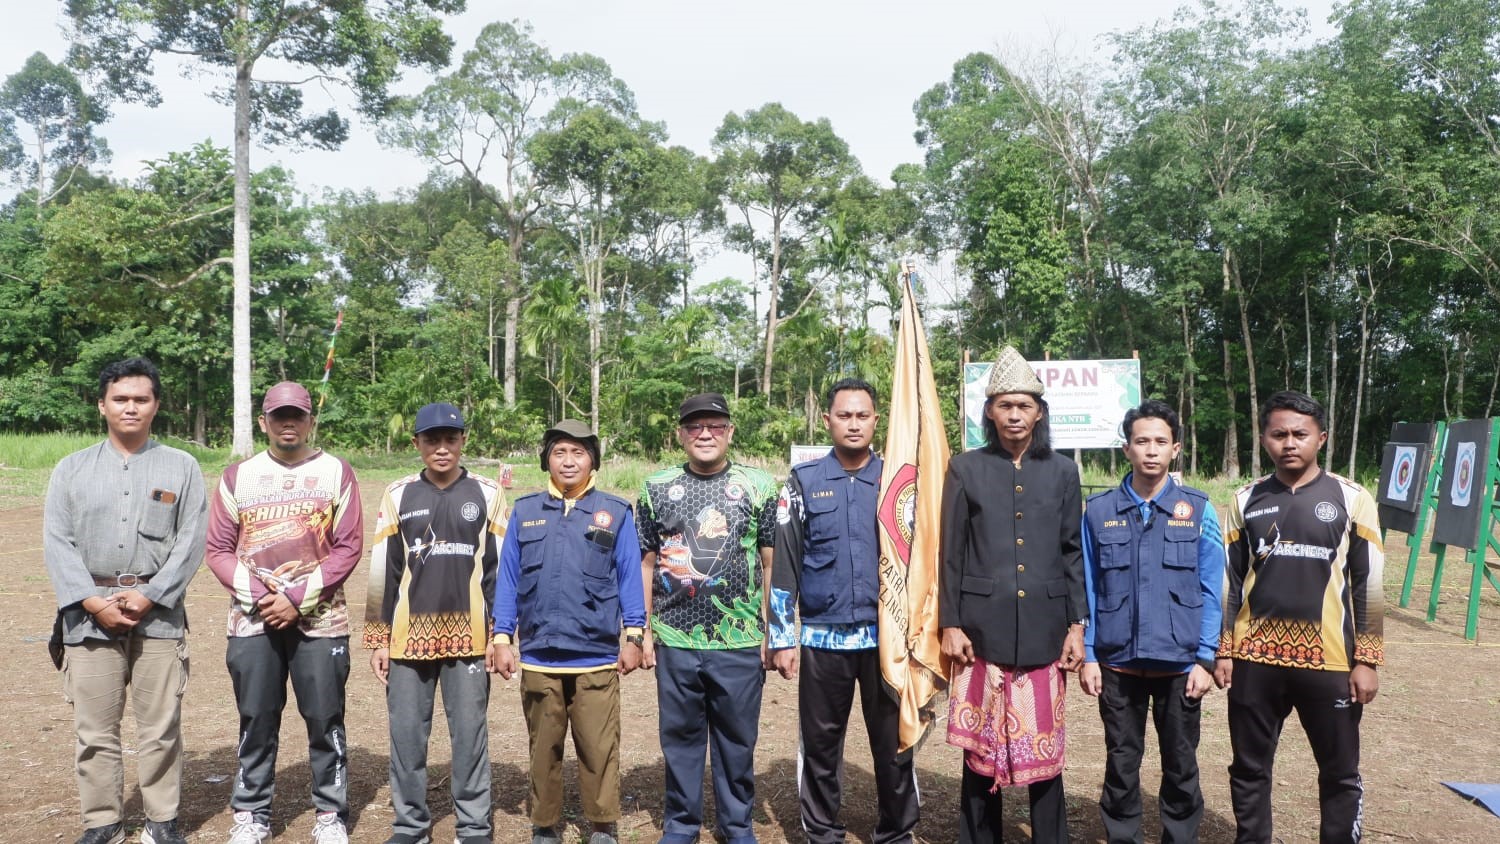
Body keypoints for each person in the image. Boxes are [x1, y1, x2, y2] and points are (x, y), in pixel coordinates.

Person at [43, 357, 206, 844]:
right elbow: (57, 542)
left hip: (159, 614)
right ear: (102, 405)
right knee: (95, 729)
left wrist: (151, 595)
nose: (130, 407)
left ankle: (162, 820)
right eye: (121, 399)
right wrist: (93, 602)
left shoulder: (182, 466)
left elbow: (191, 539)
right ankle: (103, 822)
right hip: (88, 615)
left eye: (141, 399)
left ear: (156, 405)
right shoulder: (71, 470)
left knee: (160, 726)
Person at [1214, 391, 1384, 844]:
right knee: (1249, 768)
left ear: (1321, 438)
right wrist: (1224, 650)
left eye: (1300, 434)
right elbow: (1229, 583)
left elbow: (1370, 584)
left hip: (1330, 662)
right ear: (1265, 439)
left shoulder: (1352, 499)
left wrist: (1367, 660)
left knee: (1340, 773)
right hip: (1254, 661)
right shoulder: (1244, 499)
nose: (1290, 442)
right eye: (1279, 434)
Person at [205, 381, 364, 844]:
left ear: (312, 420)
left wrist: (296, 598)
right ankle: (252, 813)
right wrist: (261, 595)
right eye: (278, 416)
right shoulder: (238, 476)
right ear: (264, 423)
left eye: (297, 414)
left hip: (321, 618)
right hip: (252, 618)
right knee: (256, 716)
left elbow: (348, 546)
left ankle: (330, 814)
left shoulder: (337, 472)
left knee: (324, 716)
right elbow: (217, 549)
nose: (288, 423)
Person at [938, 345, 1085, 844]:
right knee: (981, 753)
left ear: (1039, 411)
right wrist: (951, 623)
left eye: (1024, 405)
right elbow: (951, 554)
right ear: (990, 412)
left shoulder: (1064, 472)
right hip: (980, 632)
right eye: (1005, 405)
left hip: (1046, 631)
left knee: (1045, 753)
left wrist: (1076, 626)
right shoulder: (966, 468)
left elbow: (1072, 553)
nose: (1015, 415)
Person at [767, 378, 919, 844]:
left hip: (887, 641)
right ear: (828, 420)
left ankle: (895, 833)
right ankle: (822, 833)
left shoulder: (897, 481)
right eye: (844, 415)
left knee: (894, 746)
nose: (854, 424)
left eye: (862, 415)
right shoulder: (803, 482)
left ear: (876, 420)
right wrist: (780, 636)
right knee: (820, 748)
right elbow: (785, 563)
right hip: (821, 640)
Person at [492, 419, 646, 844]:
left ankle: (602, 824)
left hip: (596, 655)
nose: (569, 460)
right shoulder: (524, 512)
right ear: (547, 460)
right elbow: (507, 580)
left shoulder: (615, 512)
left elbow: (630, 576)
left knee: (598, 747)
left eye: (579, 452)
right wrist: (502, 638)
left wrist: (634, 636)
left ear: (592, 460)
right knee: (544, 748)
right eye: (560, 452)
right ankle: (545, 825)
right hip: (539, 655)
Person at [1079, 399, 1224, 843]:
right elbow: (1087, 587)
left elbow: (1212, 589)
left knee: (1181, 762)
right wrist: (1088, 655)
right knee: (1121, 762)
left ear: (1175, 449)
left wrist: (1204, 658)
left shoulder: (1198, 510)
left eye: (1161, 441)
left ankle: (1178, 837)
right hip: (1118, 664)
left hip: (1180, 666)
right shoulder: (1098, 510)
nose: (1151, 450)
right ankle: (1123, 836)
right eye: (1141, 441)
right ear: (1126, 449)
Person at [637, 393, 778, 844]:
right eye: (694, 426)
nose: (704, 434)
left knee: (737, 742)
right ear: (680, 434)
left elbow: (771, 562)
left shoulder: (759, 486)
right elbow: (645, 564)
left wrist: (774, 630)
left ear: (730, 432)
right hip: (675, 638)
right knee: (680, 741)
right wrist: (641, 631)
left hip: (739, 640)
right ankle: (681, 826)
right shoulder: (655, 487)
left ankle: (737, 826)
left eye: (715, 426)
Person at [363, 402, 505, 844]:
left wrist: (501, 635)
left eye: (450, 439)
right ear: (417, 444)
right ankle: (410, 826)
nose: (441, 448)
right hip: (408, 639)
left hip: (472, 636)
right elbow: (382, 571)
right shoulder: (398, 493)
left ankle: (474, 826)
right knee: (407, 737)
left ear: (464, 441)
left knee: (470, 737)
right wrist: (378, 638)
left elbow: (501, 571)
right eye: (431, 440)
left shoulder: (487, 493)